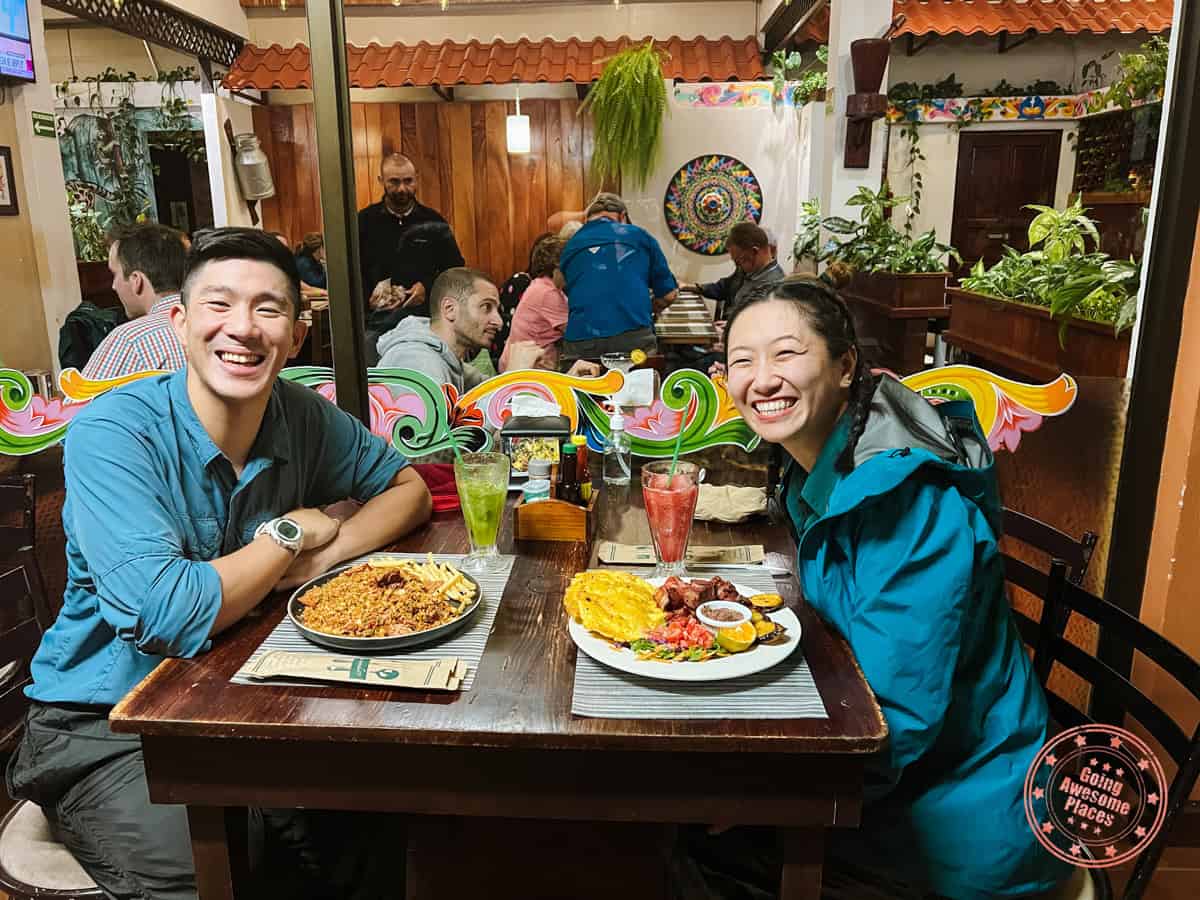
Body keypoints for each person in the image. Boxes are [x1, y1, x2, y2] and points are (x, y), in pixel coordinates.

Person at [7, 228, 433, 899]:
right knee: (225, 866)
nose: (243, 327)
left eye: (268, 309)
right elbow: (166, 612)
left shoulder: (300, 415)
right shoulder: (116, 431)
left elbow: (407, 490)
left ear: (296, 335)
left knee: (377, 817)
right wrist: (287, 535)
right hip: (105, 721)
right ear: (179, 322)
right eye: (219, 303)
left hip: (244, 699)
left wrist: (324, 556)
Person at [682, 277, 1072, 900]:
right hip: (907, 777)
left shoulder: (906, 501)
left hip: (957, 820)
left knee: (673, 834)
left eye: (787, 354)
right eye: (742, 361)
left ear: (845, 367)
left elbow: (897, 717)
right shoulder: (822, 465)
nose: (762, 379)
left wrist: (766, 794)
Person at [376, 267, 598, 392]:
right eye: (486, 307)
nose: (499, 322)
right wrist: (512, 376)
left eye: (497, 310)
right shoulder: (418, 362)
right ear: (450, 309)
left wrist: (568, 382)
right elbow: (432, 453)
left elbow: (489, 394)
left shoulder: (451, 360)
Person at [357, 154, 465, 358]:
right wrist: (367, 297)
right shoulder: (363, 222)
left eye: (408, 181)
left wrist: (427, 287)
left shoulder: (434, 222)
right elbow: (350, 273)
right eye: (394, 182)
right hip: (375, 323)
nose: (402, 189)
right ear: (381, 180)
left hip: (425, 321)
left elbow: (456, 270)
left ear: (417, 178)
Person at [558, 192, 677, 363]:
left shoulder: (570, 245)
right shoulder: (640, 236)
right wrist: (647, 307)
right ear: (623, 216)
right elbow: (669, 295)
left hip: (581, 340)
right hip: (633, 337)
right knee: (637, 380)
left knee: (583, 381)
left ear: (587, 219)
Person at [81, 223, 189, 380]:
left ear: (136, 280)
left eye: (115, 274)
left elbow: (81, 395)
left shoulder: (131, 340)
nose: (113, 286)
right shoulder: (213, 323)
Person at [499, 236, 568, 373]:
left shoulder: (540, 285)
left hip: (516, 361)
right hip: (528, 369)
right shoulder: (548, 293)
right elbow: (573, 331)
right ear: (557, 267)